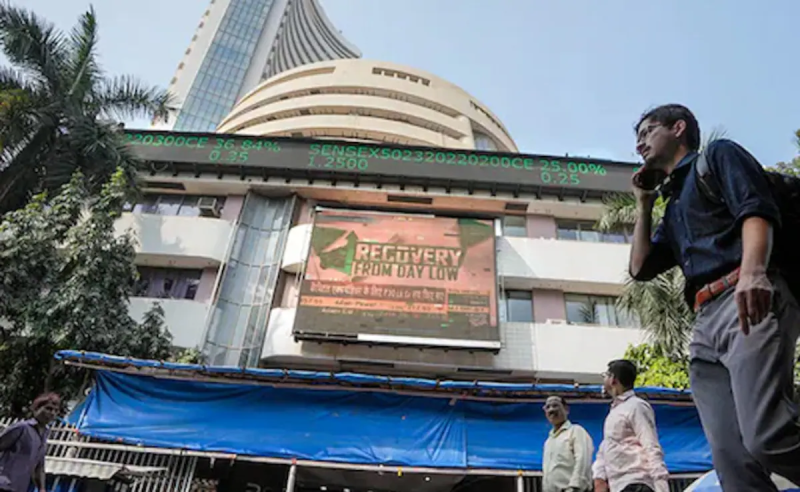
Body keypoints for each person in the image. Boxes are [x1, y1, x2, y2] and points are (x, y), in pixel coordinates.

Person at [629, 103, 800, 491]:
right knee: (731, 458)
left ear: (678, 128)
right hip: (704, 323)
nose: (639, 144)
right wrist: (644, 204)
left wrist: (753, 271)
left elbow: (755, 208)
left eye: (647, 131)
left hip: (746, 297)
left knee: (767, 437)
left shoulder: (718, 157)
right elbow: (640, 267)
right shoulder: (674, 204)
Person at [592, 360, 669, 492]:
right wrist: (599, 477)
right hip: (618, 485)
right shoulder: (615, 411)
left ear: (613, 379)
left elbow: (650, 444)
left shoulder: (636, 406)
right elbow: (607, 446)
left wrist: (661, 485)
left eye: (605, 375)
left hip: (636, 482)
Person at [0, 392, 60, 492]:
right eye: (48, 408)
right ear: (36, 409)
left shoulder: (44, 435)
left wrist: (42, 488)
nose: (52, 413)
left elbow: (39, 466)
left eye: (56, 410)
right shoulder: (22, 428)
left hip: (19, 488)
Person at [541, 395, 594, 492]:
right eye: (547, 407)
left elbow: (583, 459)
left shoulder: (576, 431)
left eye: (555, 405)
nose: (551, 410)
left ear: (566, 409)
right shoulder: (548, 441)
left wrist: (575, 486)